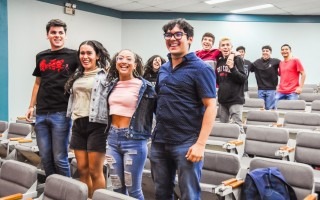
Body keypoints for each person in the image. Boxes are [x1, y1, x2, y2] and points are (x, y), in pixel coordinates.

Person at [150, 18, 217, 200]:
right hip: (160, 141)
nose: (172, 39)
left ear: (190, 38)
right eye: (168, 35)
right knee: (161, 193)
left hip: (186, 143)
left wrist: (200, 144)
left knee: (189, 194)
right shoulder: (163, 69)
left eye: (178, 34)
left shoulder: (201, 69)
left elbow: (211, 106)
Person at [25, 19, 78, 177]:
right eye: (53, 32)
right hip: (41, 112)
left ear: (65, 36)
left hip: (61, 112)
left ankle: (67, 191)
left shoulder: (74, 56)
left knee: (60, 158)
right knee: (46, 158)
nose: (57, 35)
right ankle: (53, 190)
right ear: (47, 35)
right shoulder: (41, 56)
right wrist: (30, 106)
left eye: (60, 33)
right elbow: (37, 83)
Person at [105, 49, 156, 200]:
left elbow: (157, 112)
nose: (124, 61)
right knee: (117, 187)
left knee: (133, 189)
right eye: (120, 58)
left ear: (135, 65)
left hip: (134, 140)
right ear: (116, 63)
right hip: (112, 140)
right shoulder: (111, 85)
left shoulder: (145, 86)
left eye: (129, 59)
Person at [65, 40, 111, 198]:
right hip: (78, 124)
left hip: (97, 125)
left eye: (89, 53)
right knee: (82, 169)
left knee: (95, 171)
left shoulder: (105, 76)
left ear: (97, 55)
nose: (85, 56)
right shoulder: (77, 75)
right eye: (82, 53)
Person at [216, 38, 246, 133]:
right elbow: (219, 80)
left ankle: (239, 147)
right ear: (219, 48)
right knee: (223, 129)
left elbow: (243, 79)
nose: (225, 47)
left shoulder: (238, 59)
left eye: (228, 45)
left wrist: (232, 68)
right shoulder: (219, 61)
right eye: (223, 45)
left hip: (235, 100)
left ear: (231, 47)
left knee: (237, 128)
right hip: (222, 100)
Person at [250, 45, 280, 110]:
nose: (265, 52)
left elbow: (285, 67)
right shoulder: (256, 62)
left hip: (271, 90)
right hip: (261, 89)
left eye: (267, 51)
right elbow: (248, 69)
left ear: (270, 52)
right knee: (261, 109)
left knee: (270, 109)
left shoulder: (276, 61)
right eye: (263, 51)